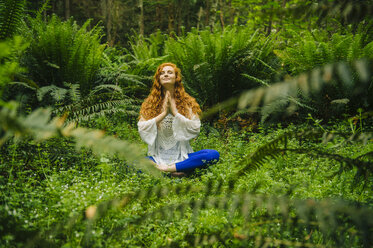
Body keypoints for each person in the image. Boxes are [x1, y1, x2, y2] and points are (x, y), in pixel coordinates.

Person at [137, 62, 219, 175]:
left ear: (176, 78)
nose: (165, 75)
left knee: (212, 154)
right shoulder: (149, 104)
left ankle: (169, 169)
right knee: (133, 162)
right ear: (158, 78)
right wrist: (164, 113)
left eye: (169, 72)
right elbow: (142, 128)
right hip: (157, 158)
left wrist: (175, 113)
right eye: (162, 73)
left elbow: (195, 128)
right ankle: (178, 170)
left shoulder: (187, 102)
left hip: (183, 156)